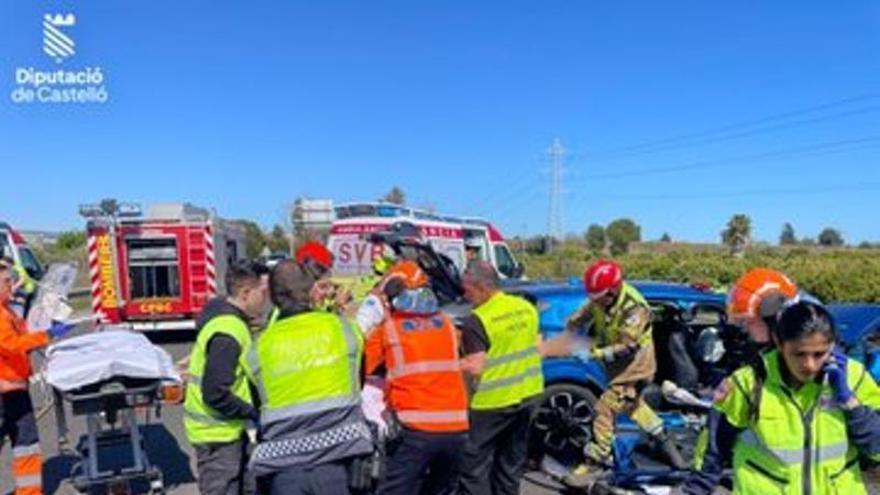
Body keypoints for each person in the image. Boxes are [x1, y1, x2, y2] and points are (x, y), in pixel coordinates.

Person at [678, 301, 880, 494]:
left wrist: (851, 403)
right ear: (779, 343)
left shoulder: (854, 378)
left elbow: (876, 448)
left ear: (833, 344)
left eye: (819, 354)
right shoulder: (747, 383)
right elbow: (713, 447)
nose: (809, 364)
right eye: (799, 354)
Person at [248, 260, 374, 495]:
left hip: (284, 470)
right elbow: (359, 382)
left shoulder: (258, 348)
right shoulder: (344, 330)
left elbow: (258, 405)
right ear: (309, 292)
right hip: (341, 460)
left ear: (273, 299)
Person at [565, 259, 686, 486]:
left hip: (637, 367)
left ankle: (598, 461)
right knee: (633, 406)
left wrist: (594, 354)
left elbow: (627, 347)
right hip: (618, 367)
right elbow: (583, 315)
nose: (595, 302)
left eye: (598, 297)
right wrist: (571, 330)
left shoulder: (635, 308)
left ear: (612, 291)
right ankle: (664, 440)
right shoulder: (600, 299)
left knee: (605, 408)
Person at [363, 260, 469, 495]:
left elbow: (364, 369)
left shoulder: (388, 329)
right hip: (457, 430)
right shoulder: (447, 324)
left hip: (415, 431)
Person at [457, 261, 544, 495]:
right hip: (529, 395)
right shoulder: (526, 308)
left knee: (474, 466)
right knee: (510, 464)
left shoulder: (477, 319)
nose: (465, 295)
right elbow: (537, 345)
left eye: (467, 289)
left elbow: (475, 368)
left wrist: (450, 366)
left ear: (482, 287)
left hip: (492, 402)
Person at [183, 260, 269, 495]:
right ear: (245, 293)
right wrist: (253, 412)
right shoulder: (228, 332)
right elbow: (215, 394)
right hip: (217, 437)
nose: (266, 299)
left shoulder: (229, 320)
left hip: (227, 432)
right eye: (263, 292)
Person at [0, 261, 73, 495]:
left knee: (27, 447)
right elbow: (11, 346)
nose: (13, 285)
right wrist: (47, 335)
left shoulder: (7, 311)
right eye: (6, 281)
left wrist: (48, 327)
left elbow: (24, 337)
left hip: (17, 392)